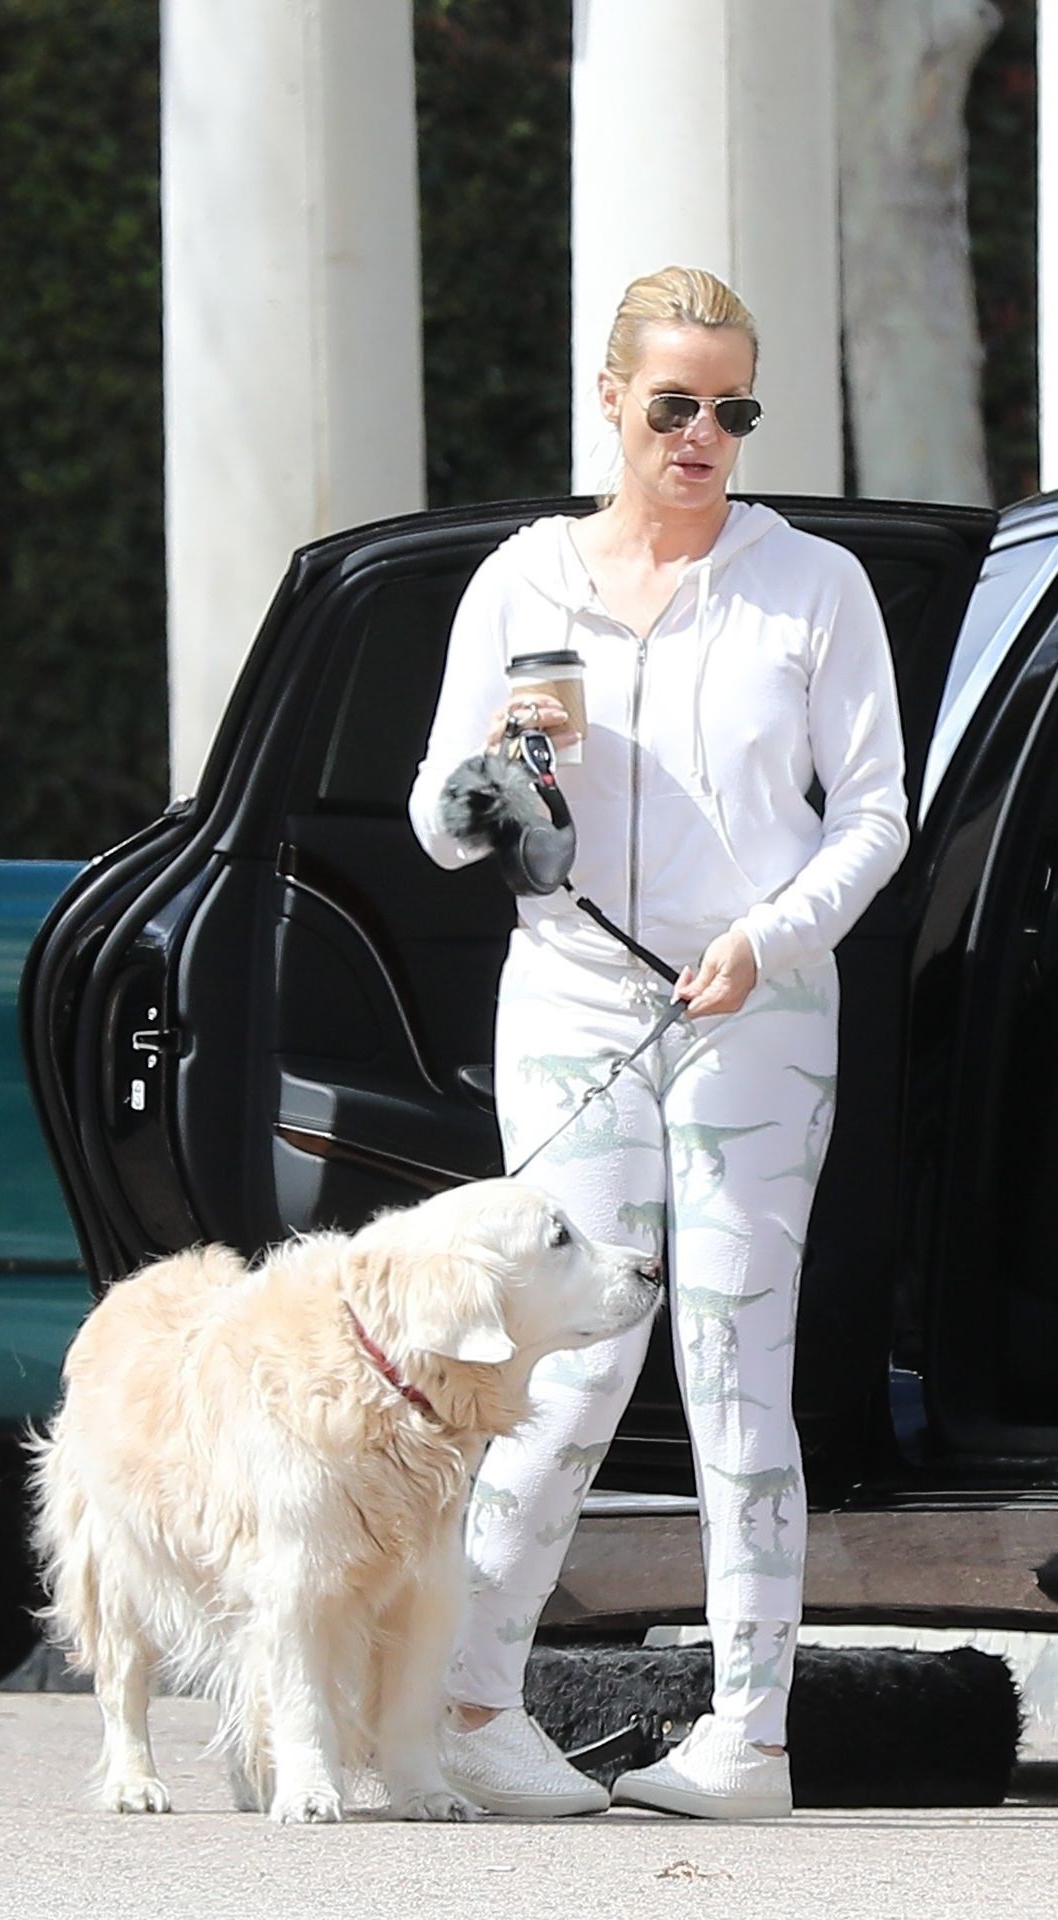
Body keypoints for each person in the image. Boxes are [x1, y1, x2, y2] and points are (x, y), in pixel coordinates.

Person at [406, 265, 909, 1822]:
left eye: (732, 410)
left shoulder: (809, 584)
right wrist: (499, 776)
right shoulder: (522, 581)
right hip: (569, 998)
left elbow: (875, 813)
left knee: (734, 1364)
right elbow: (435, 822)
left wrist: (771, 938)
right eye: (675, 404)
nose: (702, 436)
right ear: (611, 399)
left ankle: (748, 1740)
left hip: (755, 1002)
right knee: (559, 1362)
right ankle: (469, 1710)